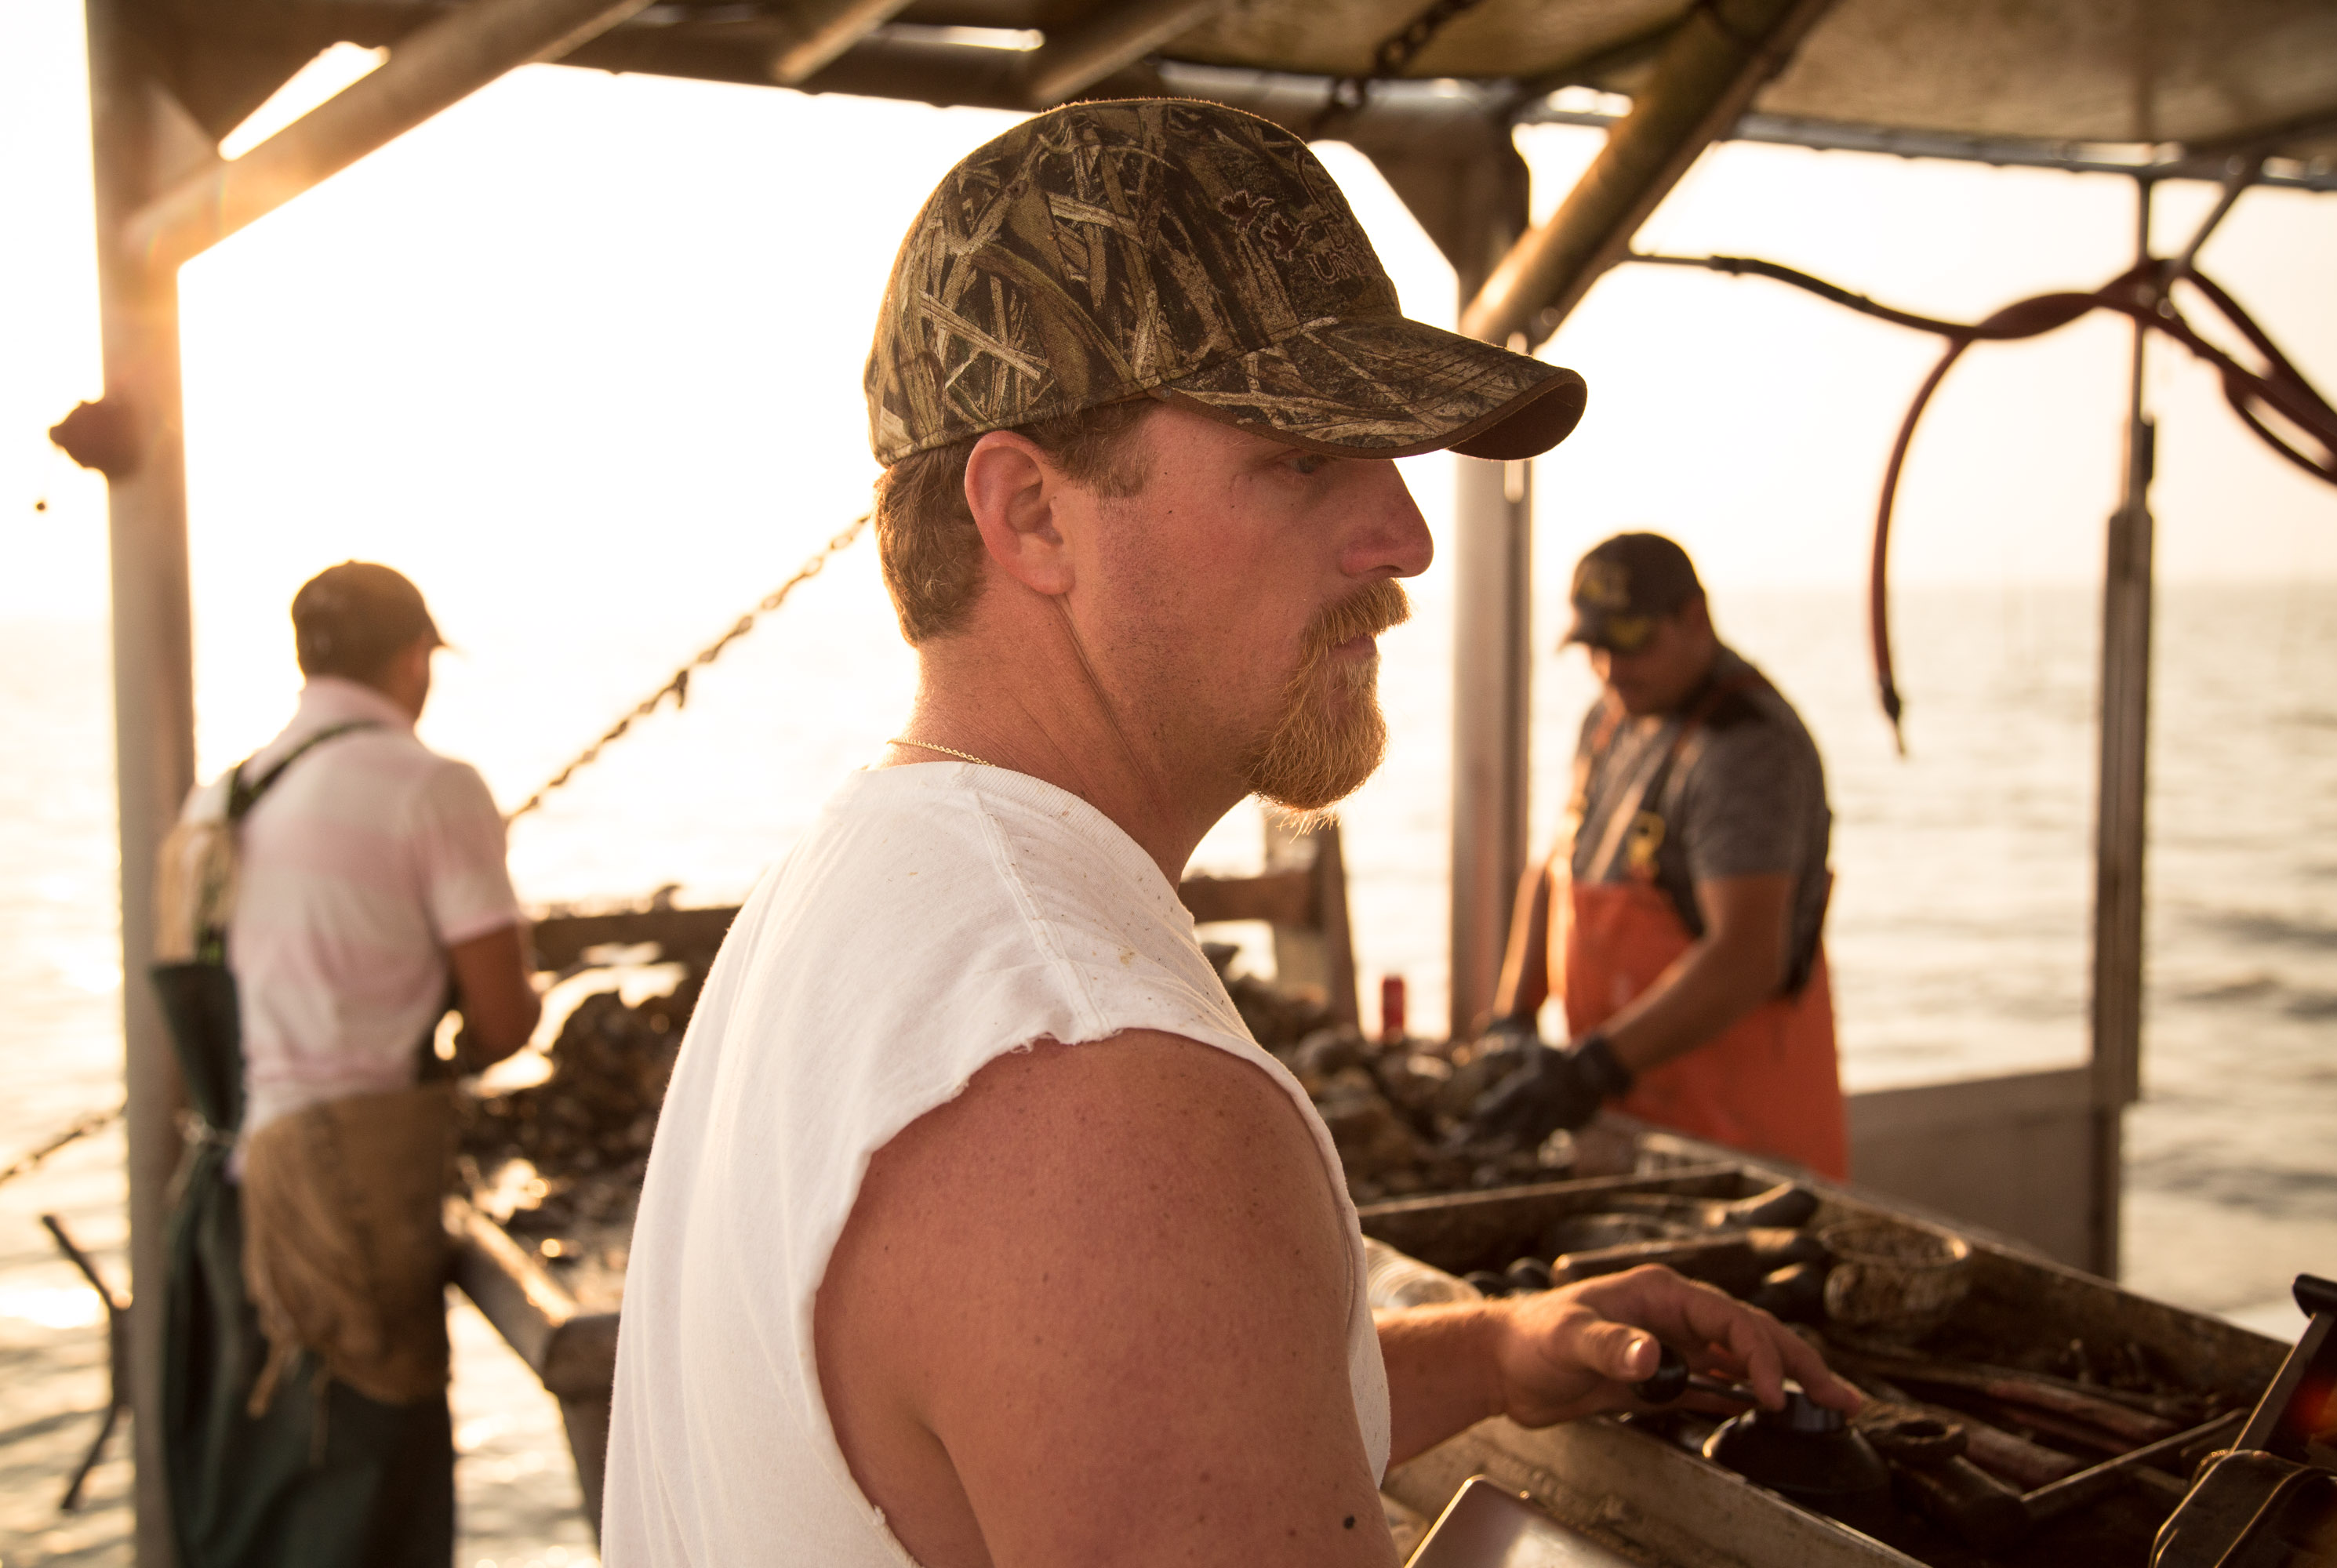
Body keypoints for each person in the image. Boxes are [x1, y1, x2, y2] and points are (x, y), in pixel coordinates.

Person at [602, 100, 1854, 1566]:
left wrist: (1495, 1350)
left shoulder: (858, 902)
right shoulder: (1102, 1099)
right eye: (1301, 458)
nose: (1408, 537)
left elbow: (1114, 1429)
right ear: (1031, 514)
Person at [158, 561, 540, 1568]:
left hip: (217, 1194)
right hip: (345, 1207)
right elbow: (505, 1018)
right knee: (369, 1498)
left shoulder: (215, 802)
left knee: (253, 1507)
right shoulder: (431, 786)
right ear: (414, 659)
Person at [1476, 532, 1847, 1178]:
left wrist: (1594, 1068)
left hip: (1743, 1141)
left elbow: (1746, 956)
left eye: (1631, 641)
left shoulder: (1744, 749)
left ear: (1694, 618)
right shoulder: (1609, 721)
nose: (1611, 669)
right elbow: (1556, 868)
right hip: (1630, 1120)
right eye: (1595, 647)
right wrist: (1513, 1018)